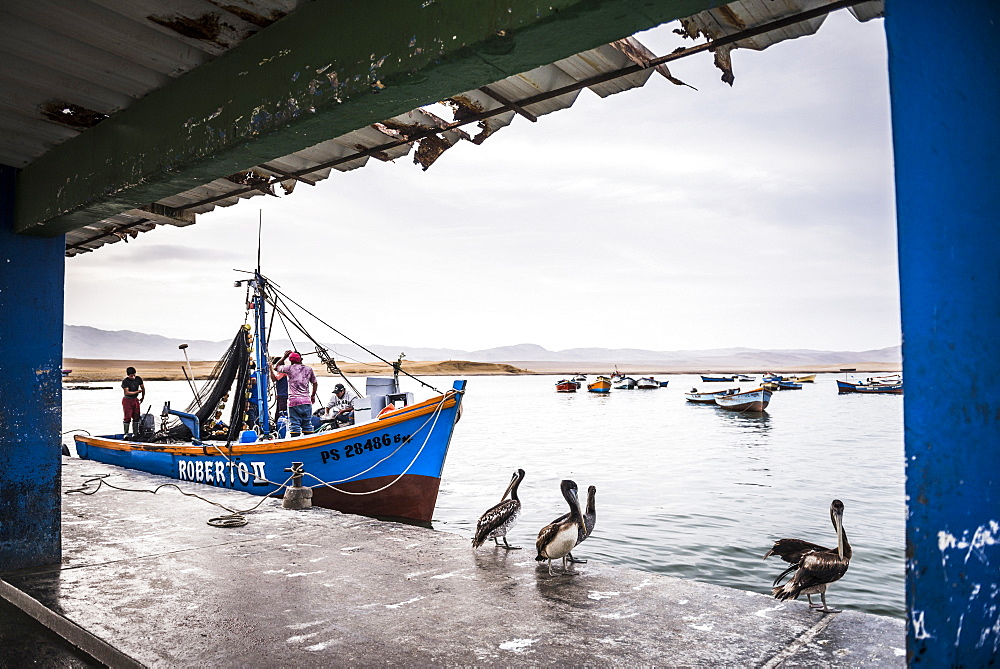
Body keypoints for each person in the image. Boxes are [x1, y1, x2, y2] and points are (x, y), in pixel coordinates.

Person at [273, 350, 318, 437]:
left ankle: (295, 441)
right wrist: (312, 395)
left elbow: (276, 367)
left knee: (294, 425)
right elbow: (315, 383)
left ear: (291, 361)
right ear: (301, 359)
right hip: (306, 401)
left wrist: (284, 357)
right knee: (307, 424)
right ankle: (308, 443)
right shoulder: (309, 369)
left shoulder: (289, 368)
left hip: (293, 402)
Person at [121, 366, 145, 435]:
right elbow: (127, 392)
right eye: (131, 376)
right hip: (127, 400)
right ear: (128, 375)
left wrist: (143, 397)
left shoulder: (138, 379)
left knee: (136, 416)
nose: (133, 377)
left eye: (134, 375)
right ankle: (126, 433)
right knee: (127, 417)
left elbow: (143, 388)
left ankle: (135, 433)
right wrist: (137, 392)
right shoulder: (125, 381)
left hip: (135, 400)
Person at [269, 356, 288, 422]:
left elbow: (274, 379)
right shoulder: (283, 371)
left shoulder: (282, 372)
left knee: (281, 414)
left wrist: (270, 369)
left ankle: (280, 427)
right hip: (281, 395)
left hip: (284, 396)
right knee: (278, 414)